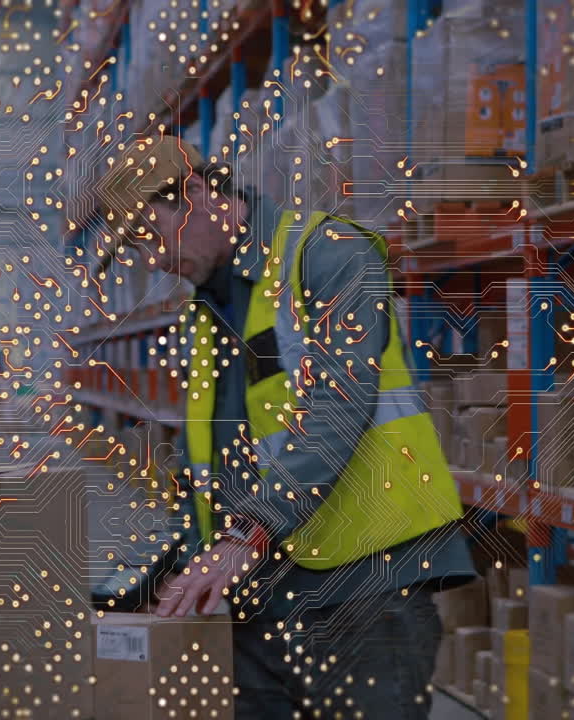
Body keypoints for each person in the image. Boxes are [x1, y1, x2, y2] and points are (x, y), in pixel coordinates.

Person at [96, 135, 475, 719]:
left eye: (150, 234)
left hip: (364, 587)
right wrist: (173, 569)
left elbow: (336, 409)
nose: (152, 259)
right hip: (261, 596)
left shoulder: (328, 254)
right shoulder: (209, 307)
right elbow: (223, 456)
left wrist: (242, 537)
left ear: (195, 193)